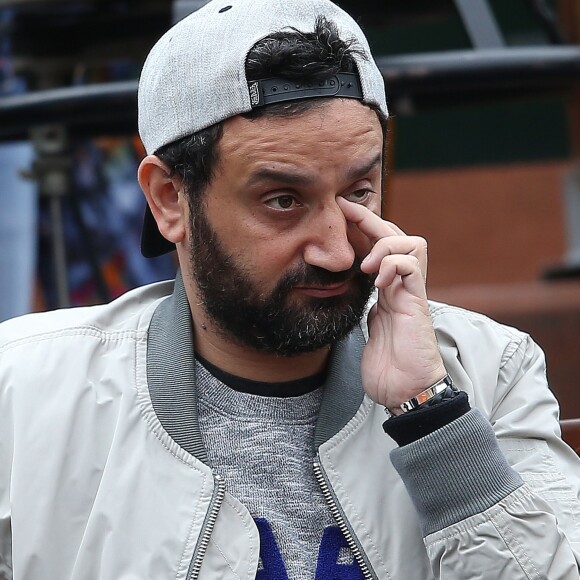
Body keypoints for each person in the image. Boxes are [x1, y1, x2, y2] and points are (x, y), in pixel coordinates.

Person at [1, 0, 579, 578]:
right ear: (169, 200)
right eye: (282, 201)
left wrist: (432, 415)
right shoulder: (23, 395)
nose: (336, 250)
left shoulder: (487, 372)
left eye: (359, 190)